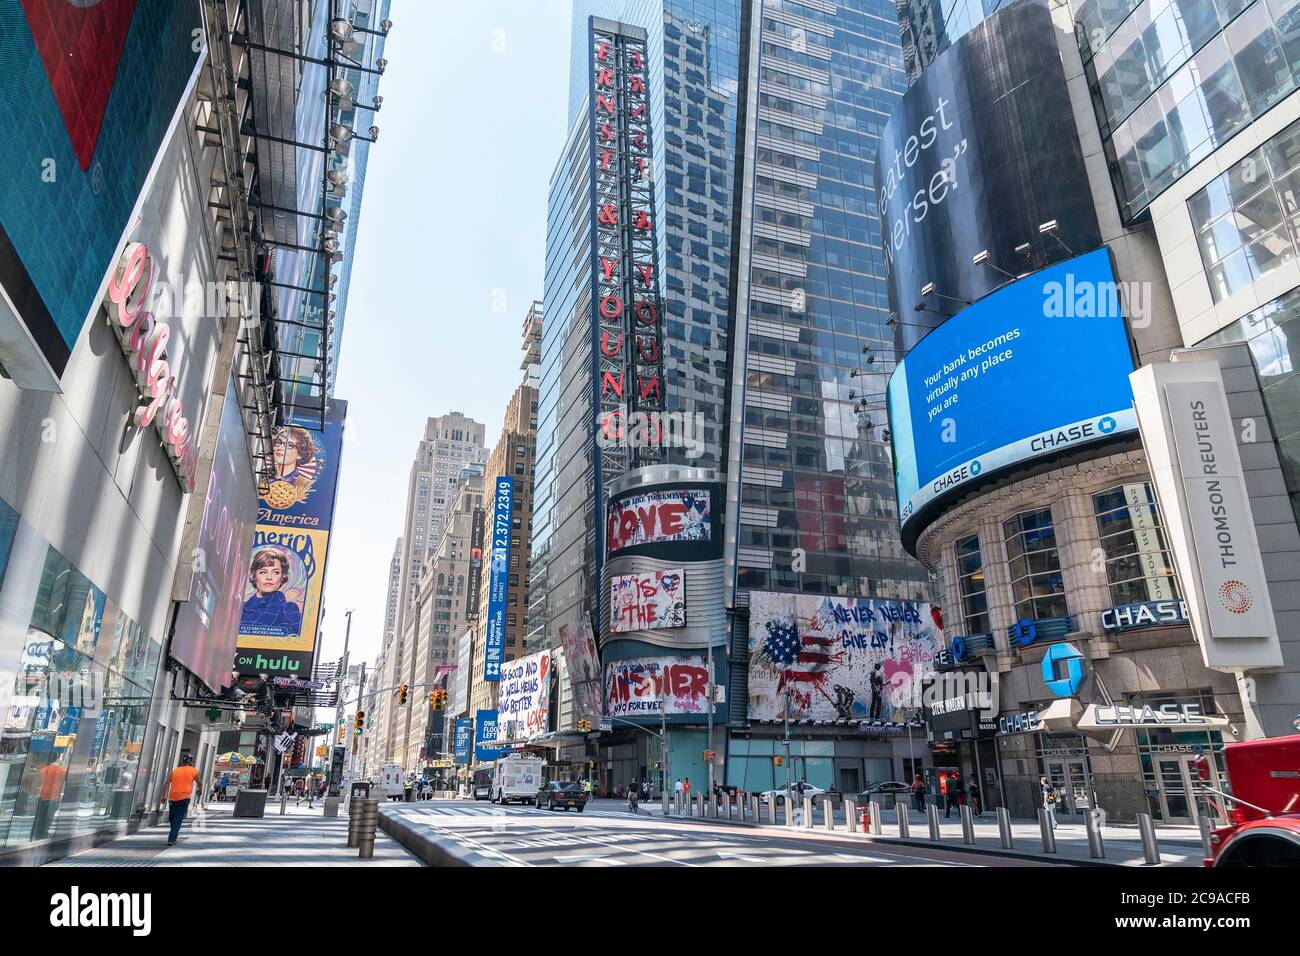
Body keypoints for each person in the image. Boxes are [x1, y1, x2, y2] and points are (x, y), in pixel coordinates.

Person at [241, 549, 303, 633]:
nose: (269, 577)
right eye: (263, 572)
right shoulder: (241, 610)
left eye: (275, 572)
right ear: (254, 576)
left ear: (282, 577)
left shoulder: (289, 609)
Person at [166, 754, 200, 846]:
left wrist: (163, 796)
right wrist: (199, 791)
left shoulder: (176, 770)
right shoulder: (194, 771)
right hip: (184, 799)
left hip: (172, 798)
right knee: (177, 818)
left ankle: (172, 836)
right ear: (190, 761)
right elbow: (199, 783)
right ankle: (172, 838)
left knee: (173, 818)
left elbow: (166, 782)